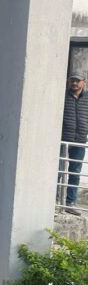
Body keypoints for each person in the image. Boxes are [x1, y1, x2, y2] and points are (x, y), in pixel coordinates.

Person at [59, 72, 88, 214]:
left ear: (84, 82)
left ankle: (70, 203)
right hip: (62, 140)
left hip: (80, 142)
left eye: (77, 80)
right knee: (58, 171)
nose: (74, 83)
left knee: (75, 173)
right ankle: (55, 201)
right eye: (72, 80)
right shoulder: (62, 96)